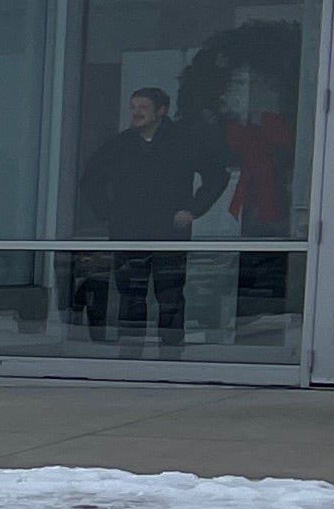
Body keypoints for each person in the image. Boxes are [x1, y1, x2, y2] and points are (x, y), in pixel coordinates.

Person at [74, 85, 233, 349]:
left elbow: (218, 175)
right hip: (128, 232)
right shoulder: (120, 144)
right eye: (133, 107)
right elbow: (90, 180)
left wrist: (194, 209)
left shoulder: (184, 141)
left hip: (168, 232)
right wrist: (107, 212)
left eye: (143, 107)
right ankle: (131, 354)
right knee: (130, 296)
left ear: (161, 111)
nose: (137, 113)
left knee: (170, 296)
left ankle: (171, 353)